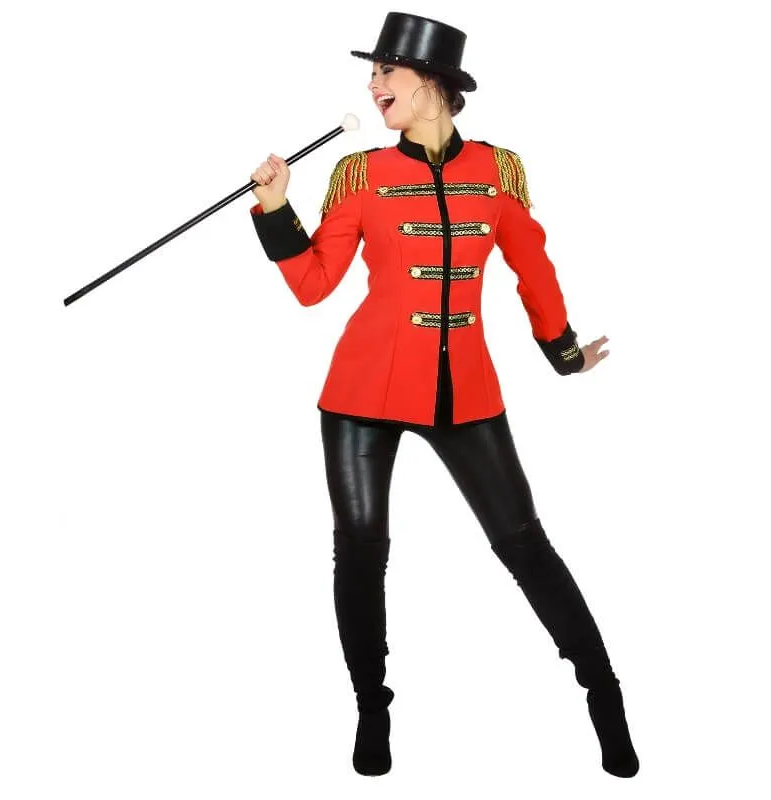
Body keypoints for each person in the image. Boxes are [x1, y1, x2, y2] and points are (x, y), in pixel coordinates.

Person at [247, 12, 638, 780]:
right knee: (361, 553)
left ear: (431, 82)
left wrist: (563, 351)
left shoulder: (497, 171)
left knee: (525, 544)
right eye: (372, 72)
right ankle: (372, 706)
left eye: (385, 71)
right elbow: (314, 284)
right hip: (361, 392)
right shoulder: (361, 174)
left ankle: (606, 695)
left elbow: (533, 268)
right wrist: (275, 206)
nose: (372, 84)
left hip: (467, 393)